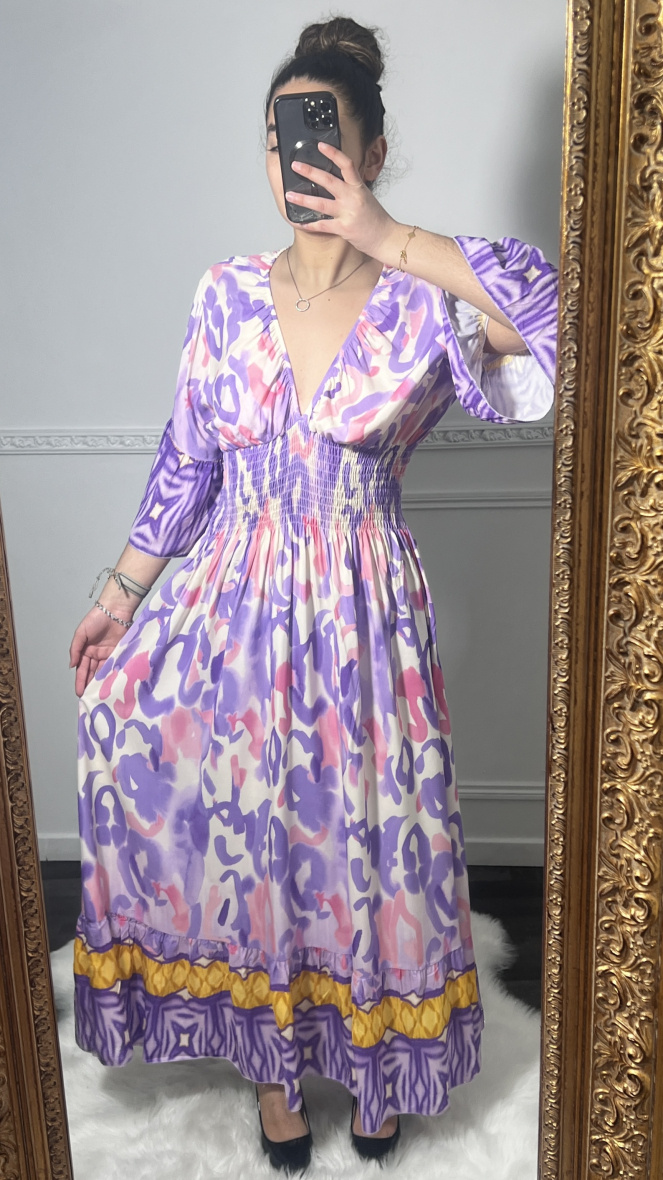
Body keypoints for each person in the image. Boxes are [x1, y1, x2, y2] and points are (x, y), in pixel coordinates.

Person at [69, 15, 557, 1175]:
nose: (295, 158)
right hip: (232, 602)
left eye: (322, 134)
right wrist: (121, 595)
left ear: (371, 152)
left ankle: (380, 1069)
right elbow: (188, 461)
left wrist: (389, 235)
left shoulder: (424, 297)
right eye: (279, 136)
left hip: (362, 610)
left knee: (369, 844)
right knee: (261, 840)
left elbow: (561, 321)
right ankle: (276, 1075)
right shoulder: (226, 295)